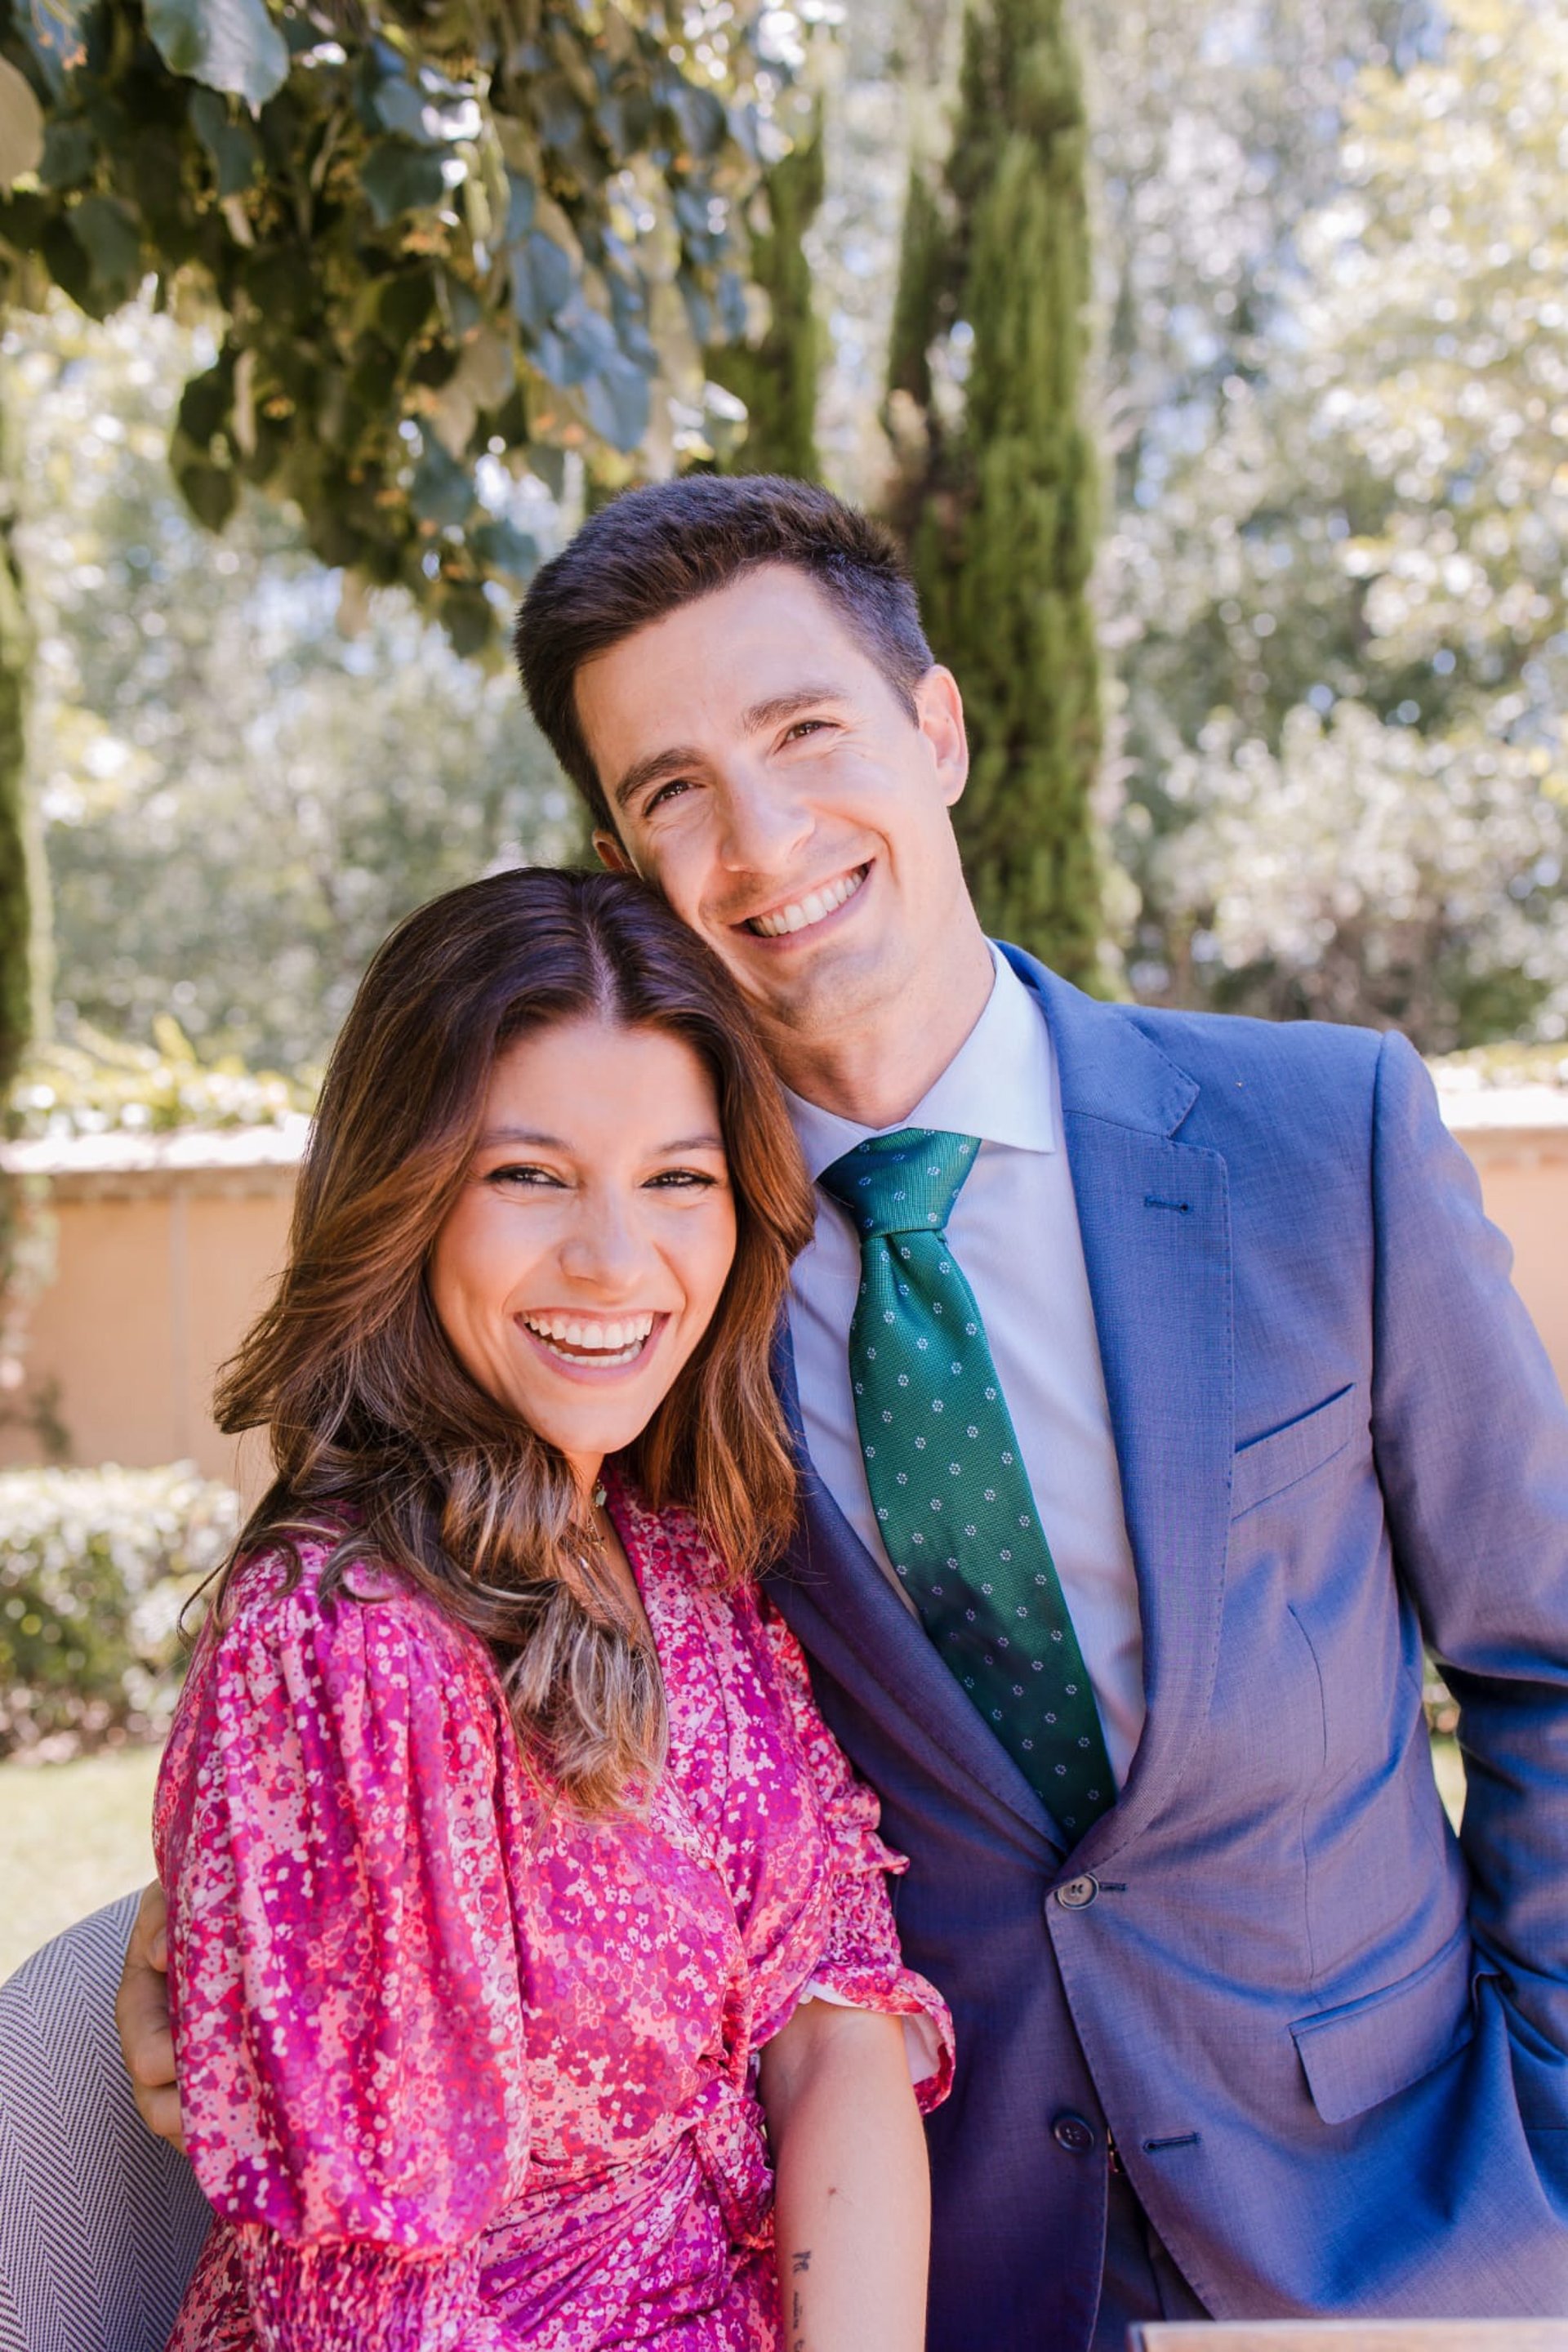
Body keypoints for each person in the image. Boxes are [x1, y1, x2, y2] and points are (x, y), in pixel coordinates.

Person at [122, 477, 1568, 2349]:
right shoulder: (632, 1323)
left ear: (939, 728)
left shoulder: (1324, 1138)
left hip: (1408, 2230)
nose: (764, 834)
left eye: (805, 731)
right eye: (671, 792)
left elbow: (1546, 1653)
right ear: (629, 856)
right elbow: (428, 1651)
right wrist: (224, 1918)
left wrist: (1543, 2120)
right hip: (932, 2269)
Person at [146, 865, 951, 2352]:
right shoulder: (341, 1645)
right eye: (528, 1174)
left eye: (678, 1177)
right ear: (406, 1198)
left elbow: (837, 2029)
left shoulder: (672, 1559)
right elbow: (370, 2302)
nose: (612, 1258)